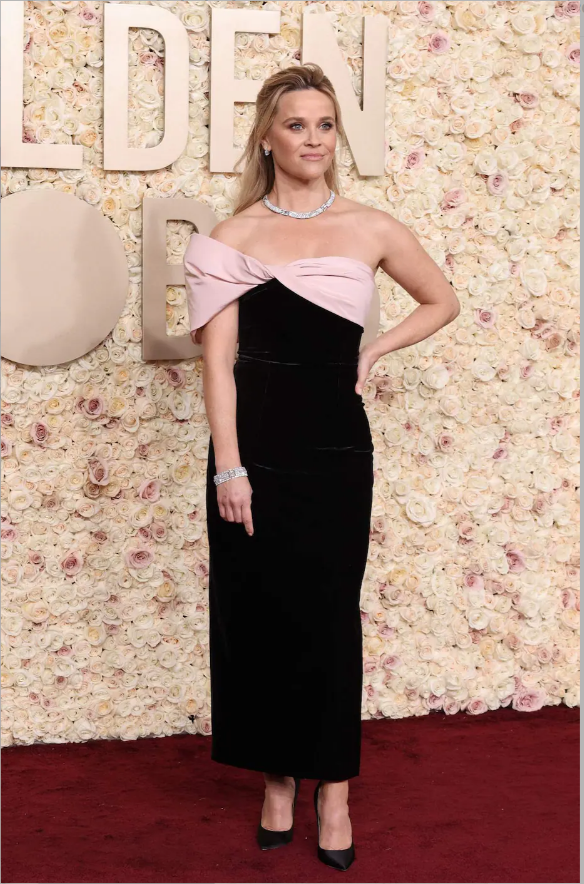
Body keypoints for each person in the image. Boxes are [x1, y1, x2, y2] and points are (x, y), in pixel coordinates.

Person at [184, 63, 460, 871]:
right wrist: (229, 468)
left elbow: (442, 300)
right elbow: (218, 363)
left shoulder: (370, 227)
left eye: (326, 124)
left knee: (330, 618)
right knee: (258, 615)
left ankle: (332, 789)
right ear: (267, 138)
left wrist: (376, 348)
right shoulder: (233, 236)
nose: (314, 139)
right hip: (252, 453)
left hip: (336, 450)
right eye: (297, 124)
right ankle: (277, 781)